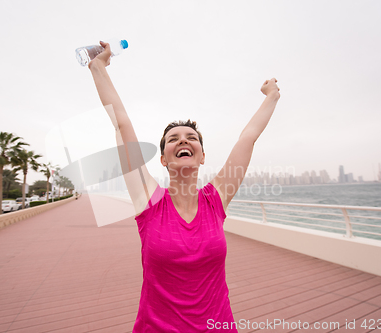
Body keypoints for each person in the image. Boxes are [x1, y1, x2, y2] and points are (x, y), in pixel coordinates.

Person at [88, 41, 280, 332]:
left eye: (191, 137)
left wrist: (271, 97)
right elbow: (121, 125)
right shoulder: (149, 201)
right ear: (163, 159)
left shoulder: (216, 200)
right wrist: (98, 67)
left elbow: (247, 138)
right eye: (173, 138)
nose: (182, 140)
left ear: (202, 156)